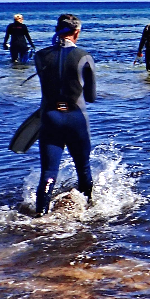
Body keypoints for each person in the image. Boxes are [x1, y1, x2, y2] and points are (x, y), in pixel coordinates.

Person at [33, 14, 97, 215]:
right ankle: (89, 214)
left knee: (49, 172)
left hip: (50, 118)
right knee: (83, 169)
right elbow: (91, 96)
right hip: (76, 118)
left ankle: (40, 217)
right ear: (77, 32)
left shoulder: (40, 56)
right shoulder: (84, 56)